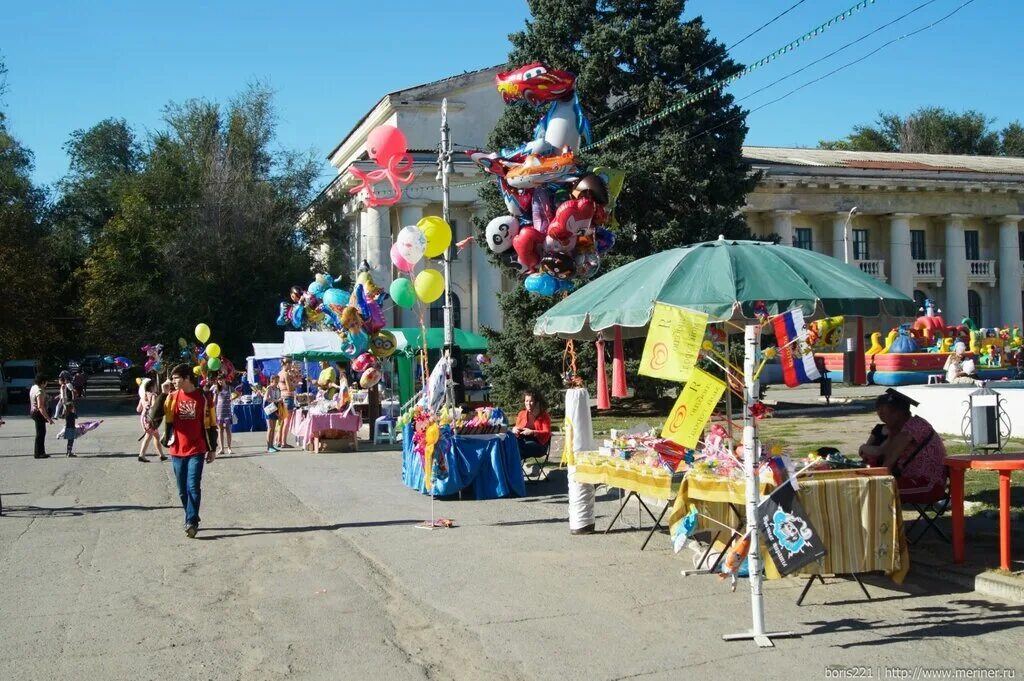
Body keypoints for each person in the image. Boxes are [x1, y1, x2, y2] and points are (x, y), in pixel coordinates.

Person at [156, 363, 217, 538]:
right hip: (176, 449)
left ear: (187, 378)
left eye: (175, 378)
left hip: (197, 448)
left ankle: (191, 521)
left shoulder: (204, 398)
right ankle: (192, 515)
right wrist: (163, 394)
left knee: (193, 486)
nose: (172, 381)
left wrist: (212, 449)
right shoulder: (172, 397)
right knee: (182, 490)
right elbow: (154, 418)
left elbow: (212, 424)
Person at [858, 389, 947, 497]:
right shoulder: (907, 426)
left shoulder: (910, 430)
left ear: (898, 413)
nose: (883, 420)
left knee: (873, 490)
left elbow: (888, 462)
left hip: (927, 484)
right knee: (868, 487)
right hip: (915, 480)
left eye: (885, 415)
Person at [511, 390, 552, 463]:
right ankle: (514, 470)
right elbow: (516, 429)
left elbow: (547, 432)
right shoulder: (521, 414)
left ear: (537, 402)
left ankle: (514, 471)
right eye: (526, 401)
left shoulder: (544, 415)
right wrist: (514, 429)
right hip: (523, 442)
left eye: (531, 401)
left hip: (539, 445)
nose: (528, 403)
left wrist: (532, 432)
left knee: (515, 448)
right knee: (510, 443)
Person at [137, 377, 167, 462]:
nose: (156, 387)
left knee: (156, 436)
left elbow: (138, 409)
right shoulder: (153, 395)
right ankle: (141, 455)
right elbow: (154, 407)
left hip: (143, 418)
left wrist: (145, 405)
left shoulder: (142, 396)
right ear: (151, 387)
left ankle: (161, 455)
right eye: (155, 385)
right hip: (151, 419)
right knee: (148, 436)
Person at [29, 373, 54, 459]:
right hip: (38, 413)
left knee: (41, 433)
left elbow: (45, 397)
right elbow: (40, 406)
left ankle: (41, 452)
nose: (46, 383)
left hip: (33, 412)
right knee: (40, 433)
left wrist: (50, 398)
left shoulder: (34, 387)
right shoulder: (39, 391)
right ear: (43, 382)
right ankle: (38, 453)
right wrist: (48, 418)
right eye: (46, 382)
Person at [261, 375, 284, 453]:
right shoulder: (269, 388)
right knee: (270, 428)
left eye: (278, 380)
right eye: (276, 380)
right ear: (272, 380)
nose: (277, 382)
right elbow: (266, 398)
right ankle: (269, 446)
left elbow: (279, 398)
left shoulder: (278, 389)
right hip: (269, 408)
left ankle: (272, 445)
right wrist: (276, 400)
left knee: (273, 428)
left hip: (275, 409)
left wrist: (280, 401)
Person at [277, 357, 297, 448]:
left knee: (281, 421)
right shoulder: (286, 374)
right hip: (288, 398)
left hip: (281, 398)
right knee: (286, 421)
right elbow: (290, 388)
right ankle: (284, 442)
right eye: (291, 364)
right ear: (288, 364)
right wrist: (295, 384)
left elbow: (278, 386)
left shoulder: (279, 373)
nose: (291, 366)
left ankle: (278, 440)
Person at [212, 374, 234, 456]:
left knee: (228, 429)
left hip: (227, 411)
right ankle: (221, 448)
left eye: (221, 379)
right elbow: (214, 401)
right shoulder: (216, 389)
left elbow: (238, 393)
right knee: (220, 430)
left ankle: (229, 447)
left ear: (225, 379)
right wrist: (211, 410)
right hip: (219, 411)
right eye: (219, 380)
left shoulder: (229, 388)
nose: (220, 381)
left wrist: (232, 399)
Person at [58, 373, 78, 457]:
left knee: (69, 428)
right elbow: (72, 395)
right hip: (69, 409)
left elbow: (64, 399)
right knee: (70, 429)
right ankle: (69, 451)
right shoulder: (66, 386)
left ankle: (69, 450)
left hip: (67, 409)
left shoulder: (65, 386)